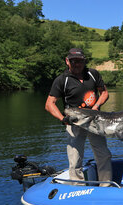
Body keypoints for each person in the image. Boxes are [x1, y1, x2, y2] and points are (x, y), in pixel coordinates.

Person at [45, 48, 112, 186]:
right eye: (73, 61)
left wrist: (97, 105)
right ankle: (77, 187)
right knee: (75, 158)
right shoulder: (62, 80)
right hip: (74, 123)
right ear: (67, 61)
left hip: (95, 121)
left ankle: (106, 185)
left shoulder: (92, 74)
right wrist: (63, 119)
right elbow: (49, 104)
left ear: (84, 61)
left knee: (103, 154)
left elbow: (104, 93)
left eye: (80, 61)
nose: (77, 64)